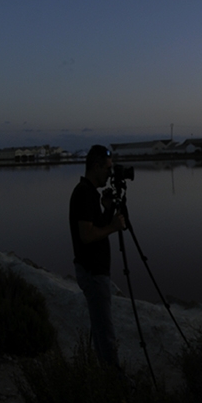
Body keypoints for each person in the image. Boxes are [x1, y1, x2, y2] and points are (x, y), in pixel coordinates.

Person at [70, 144, 127, 367]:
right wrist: (113, 226)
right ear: (95, 167)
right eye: (107, 169)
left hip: (94, 271)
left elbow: (95, 227)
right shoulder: (84, 193)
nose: (110, 174)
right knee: (105, 331)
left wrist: (107, 210)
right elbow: (86, 235)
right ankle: (114, 382)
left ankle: (106, 374)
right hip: (93, 272)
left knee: (101, 327)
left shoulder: (90, 193)